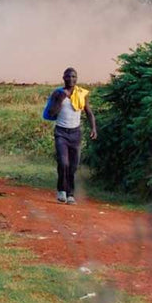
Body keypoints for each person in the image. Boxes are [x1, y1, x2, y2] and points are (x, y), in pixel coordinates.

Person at [44, 67, 97, 205]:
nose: (71, 79)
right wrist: (59, 101)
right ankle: (62, 190)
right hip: (61, 133)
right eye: (68, 76)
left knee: (73, 166)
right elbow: (51, 114)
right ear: (63, 78)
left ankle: (70, 194)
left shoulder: (81, 94)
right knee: (63, 163)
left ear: (76, 78)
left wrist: (93, 128)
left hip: (76, 133)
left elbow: (89, 112)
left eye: (74, 76)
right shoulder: (58, 93)